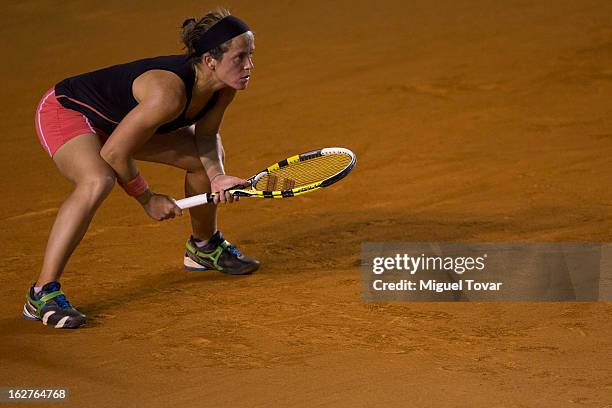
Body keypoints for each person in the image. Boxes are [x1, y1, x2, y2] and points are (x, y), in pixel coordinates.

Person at [23, 8, 259, 329]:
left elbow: (205, 137)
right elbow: (115, 152)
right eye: (240, 57)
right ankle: (42, 292)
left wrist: (217, 177)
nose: (249, 66)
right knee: (98, 179)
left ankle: (204, 246)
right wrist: (147, 199)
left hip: (123, 123)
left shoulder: (223, 89)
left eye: (251, 55)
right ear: (210, 61)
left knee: (199, 160)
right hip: (70, 112)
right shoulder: (167, 94)